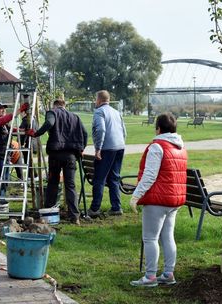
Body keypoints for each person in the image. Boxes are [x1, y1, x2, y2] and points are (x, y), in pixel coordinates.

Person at [128, 113, 188, 287]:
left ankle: (150, 276)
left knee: (150, 238)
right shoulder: (180, 147)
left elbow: (149, 175)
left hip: (157, 199)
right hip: (174, 200)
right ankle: (169, 273)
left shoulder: (157, 146)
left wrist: (136, 196)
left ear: (158, 128)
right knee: (168, 236)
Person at [26, 99, 88, 225]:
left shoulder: (52, 112)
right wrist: (81, 149)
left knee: (53, 183)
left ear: (54, 105)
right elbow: (85, 133)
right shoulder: (75, 117)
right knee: (70, 185)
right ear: (64, 106)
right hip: (71, 155)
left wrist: (36, 133)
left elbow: (49, 123)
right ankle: (74, 216)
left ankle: (49, 213)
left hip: (56, 154)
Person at [88, 90, 127, 217]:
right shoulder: (116, 112)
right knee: (114, 178)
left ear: (99, 100)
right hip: (120, 146)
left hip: (106, 148)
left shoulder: (99, 112)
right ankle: (116, 207)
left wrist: (98, 148)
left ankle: (94, 209)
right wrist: (121, 144)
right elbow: (124, 131)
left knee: (99, 178)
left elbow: (100, 129)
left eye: (95, 99)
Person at [0, 102, 29, 200]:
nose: (4, 110)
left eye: (4, 108)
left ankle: (2, 199)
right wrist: (19, 111)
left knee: (5, 180)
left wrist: (26, 132)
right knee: (0, 179)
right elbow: (6, 119)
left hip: (5, 155)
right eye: (1, 108)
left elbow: (13, 130)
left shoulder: (4, 124)